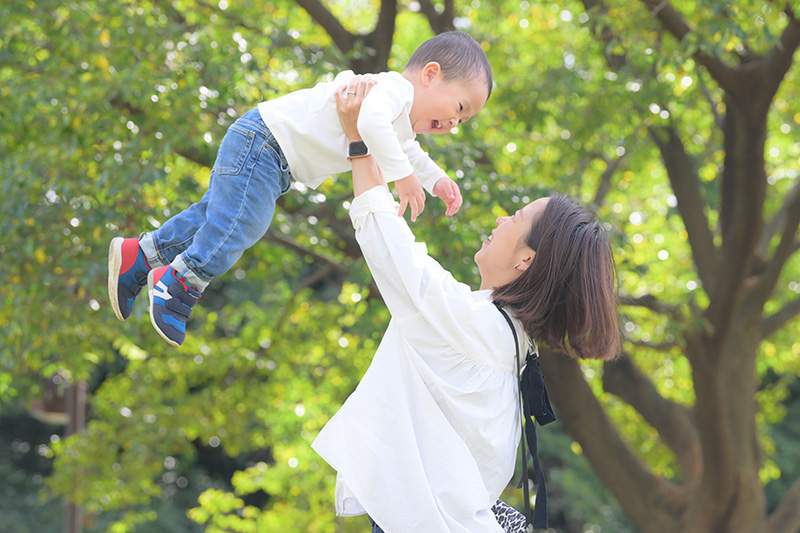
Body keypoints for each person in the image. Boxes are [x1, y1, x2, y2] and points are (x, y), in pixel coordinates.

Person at [311, 78, 620, 532]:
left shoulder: (479, 326)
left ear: (525, 258)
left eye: (514, 218)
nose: (500, 218)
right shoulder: (505, 336)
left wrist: (360, 141)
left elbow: (390, 249)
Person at [107, 30, 492, 347]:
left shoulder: (403, 120)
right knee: (244, 223)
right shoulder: (393, 90)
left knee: (216, 218)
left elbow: (407, 148)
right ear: (430, 74)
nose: (456, 123)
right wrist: (404, 176)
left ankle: (140, 256)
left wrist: (436, 179)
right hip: (264, 143)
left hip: (272, 156)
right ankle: (181, 282)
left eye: (465, 120)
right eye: (460, 107)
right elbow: (372, 125)